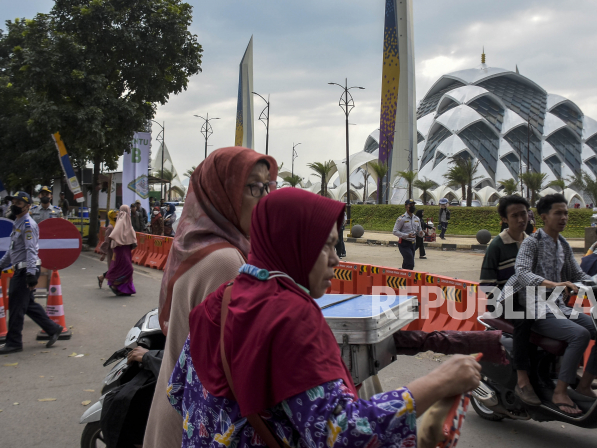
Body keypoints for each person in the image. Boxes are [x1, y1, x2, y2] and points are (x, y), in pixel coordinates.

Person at [166, 188, 482, 448]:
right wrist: (439, 380)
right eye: (326, 246)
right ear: (294, 244)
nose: (336, 259)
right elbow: (345, 433)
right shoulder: (291, 316)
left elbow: (177, 392)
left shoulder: (219, 300)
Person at [144, 147, 278, 448]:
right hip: (200, 425)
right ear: (223, 193)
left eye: (266, 186)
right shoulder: (227, 261)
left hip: (180, 410)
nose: (264, 198)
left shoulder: (197, 245)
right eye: (253, 187)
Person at [498, 193, 597, 415]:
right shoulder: (531, 242)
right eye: (558, 213)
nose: (564, 217)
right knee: (579, 335)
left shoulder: (562, 244)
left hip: (557, 306)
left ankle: (584, 385)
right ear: (544, 217)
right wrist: (554, 283)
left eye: (566, 212)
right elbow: (523, 273)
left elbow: (577, 273)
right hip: (532, 307)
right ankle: (560, 391)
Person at [479, 194, 538, 406]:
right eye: (515, 215)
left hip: (527, 298)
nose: (521, 219)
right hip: (502, 301)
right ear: (505, 219)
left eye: (524, 214)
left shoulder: (531, 243)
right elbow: (486, 284)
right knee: (525, 315)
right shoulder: (496, 246)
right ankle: (522, 379)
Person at [0, 191, 63, 354]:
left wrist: (31, 274)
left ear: (27, 206)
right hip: (23, 268)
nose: (14, 206)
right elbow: (13, 250)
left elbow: (31, 250)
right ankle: (53, 329)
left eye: (18, 203)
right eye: (13, 202)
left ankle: (14, 342)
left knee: (16, 306)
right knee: (28, 305)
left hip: (25, 270)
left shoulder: (28, 225)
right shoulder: (17, 222)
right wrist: (0, 266)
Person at [101, 205, 137, 296]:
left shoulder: (127, 223)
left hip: (126, 250)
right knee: (128, 269)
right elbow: (115, 235)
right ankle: (114, 284)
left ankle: (125, 289)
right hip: (120, 250)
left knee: (124, 269)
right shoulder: (120, 222)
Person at [393, 199, 423, 270]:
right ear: (406, 206)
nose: (412, 206)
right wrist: (406, 235)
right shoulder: (402, 219)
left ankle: (403, 277)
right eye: (410, 205)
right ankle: (409, 279)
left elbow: (420, 231)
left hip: (412, 244)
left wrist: (421, 233)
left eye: (413, 205)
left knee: (406, 263)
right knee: (410, 263)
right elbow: (395, 231)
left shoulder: (417, 219)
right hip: (404, 244)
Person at [97, 210, 117, 287]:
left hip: (116, 249)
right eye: (114, 215)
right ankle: (111, 283)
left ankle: (102, 277)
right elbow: (106, 241)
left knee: (115, 266)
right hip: (111, 250)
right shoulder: (110, 227)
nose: (116, 217)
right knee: (113, 267)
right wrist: (103, 253)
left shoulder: (116, 226)